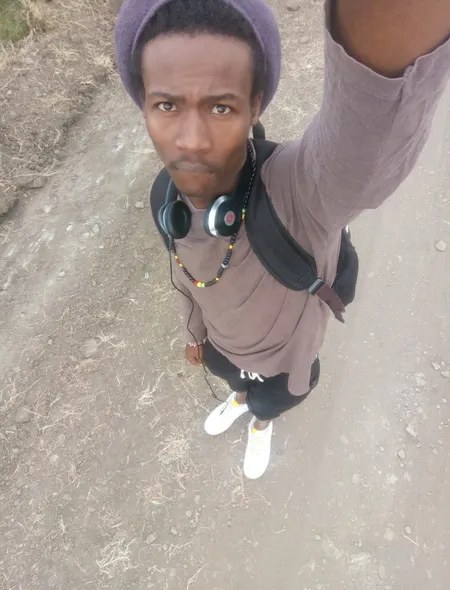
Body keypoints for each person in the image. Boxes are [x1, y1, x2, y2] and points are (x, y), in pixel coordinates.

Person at [115, 0, 450, 479]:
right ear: (145, 105)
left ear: (254, 106)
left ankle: (260, 423)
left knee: (268, 403)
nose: (191, 140)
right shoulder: (164, 201)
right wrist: (193, 335)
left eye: (221, 106)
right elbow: (186, 278)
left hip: (286, 364)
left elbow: (364, 138)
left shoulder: (301, 193)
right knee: (237, 384)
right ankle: (238, 398)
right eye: (166, 105)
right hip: (222, 351)